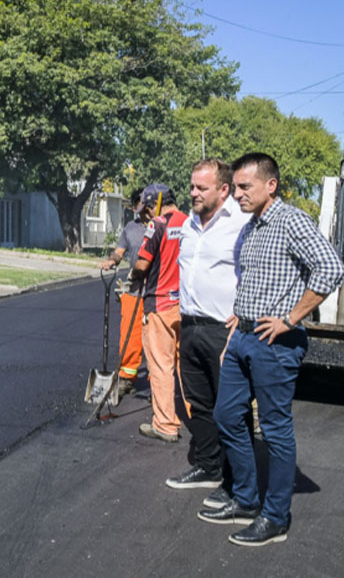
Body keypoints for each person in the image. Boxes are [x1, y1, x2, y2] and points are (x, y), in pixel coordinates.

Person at [199, 153, 342, 546]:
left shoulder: (291, 220)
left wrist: (290, 319)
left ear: (270, 186)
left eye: (246, 187)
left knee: (276, 431)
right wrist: (239, 315)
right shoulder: (251, 225)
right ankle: (245, 499)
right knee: (226, 414)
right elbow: (253, 277)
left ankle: (275, 517)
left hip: (276, 342)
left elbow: (330, 269)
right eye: (237, 187)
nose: (238, 194)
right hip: (243, 335)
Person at [167, 159, 251, 509]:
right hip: (190, 327)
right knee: (199, 404)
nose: (194, 193)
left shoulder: (243, 223)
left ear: (223, 189)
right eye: (192, 186)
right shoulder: (188, 224)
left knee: (230, 409)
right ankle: (208, 466)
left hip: (223, 331)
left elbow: (259, 268)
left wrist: (245, 310)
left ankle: (236, 483)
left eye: (202, 188)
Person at [130, 184, 188, 443]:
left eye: (146, 209)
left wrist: (132, 277)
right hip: (186, 305)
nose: (145, 216)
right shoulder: (190, 223)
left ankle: (165, 424)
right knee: (185, 365)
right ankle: (195, 415)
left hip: (160, 304)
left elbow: (142, 263)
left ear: (155, 204)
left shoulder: (157, 225)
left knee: (161, 366)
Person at [98, 188, 147, 398]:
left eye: (143, 203)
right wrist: (112, 260)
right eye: (137, 203)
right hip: (133, 288)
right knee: (129, 333)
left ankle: (162, 380)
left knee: (158, 338)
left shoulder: (163, 226)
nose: (140, 208)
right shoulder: (130, 228)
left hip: (157, 289)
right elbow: (119, 252)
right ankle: (127, 377)